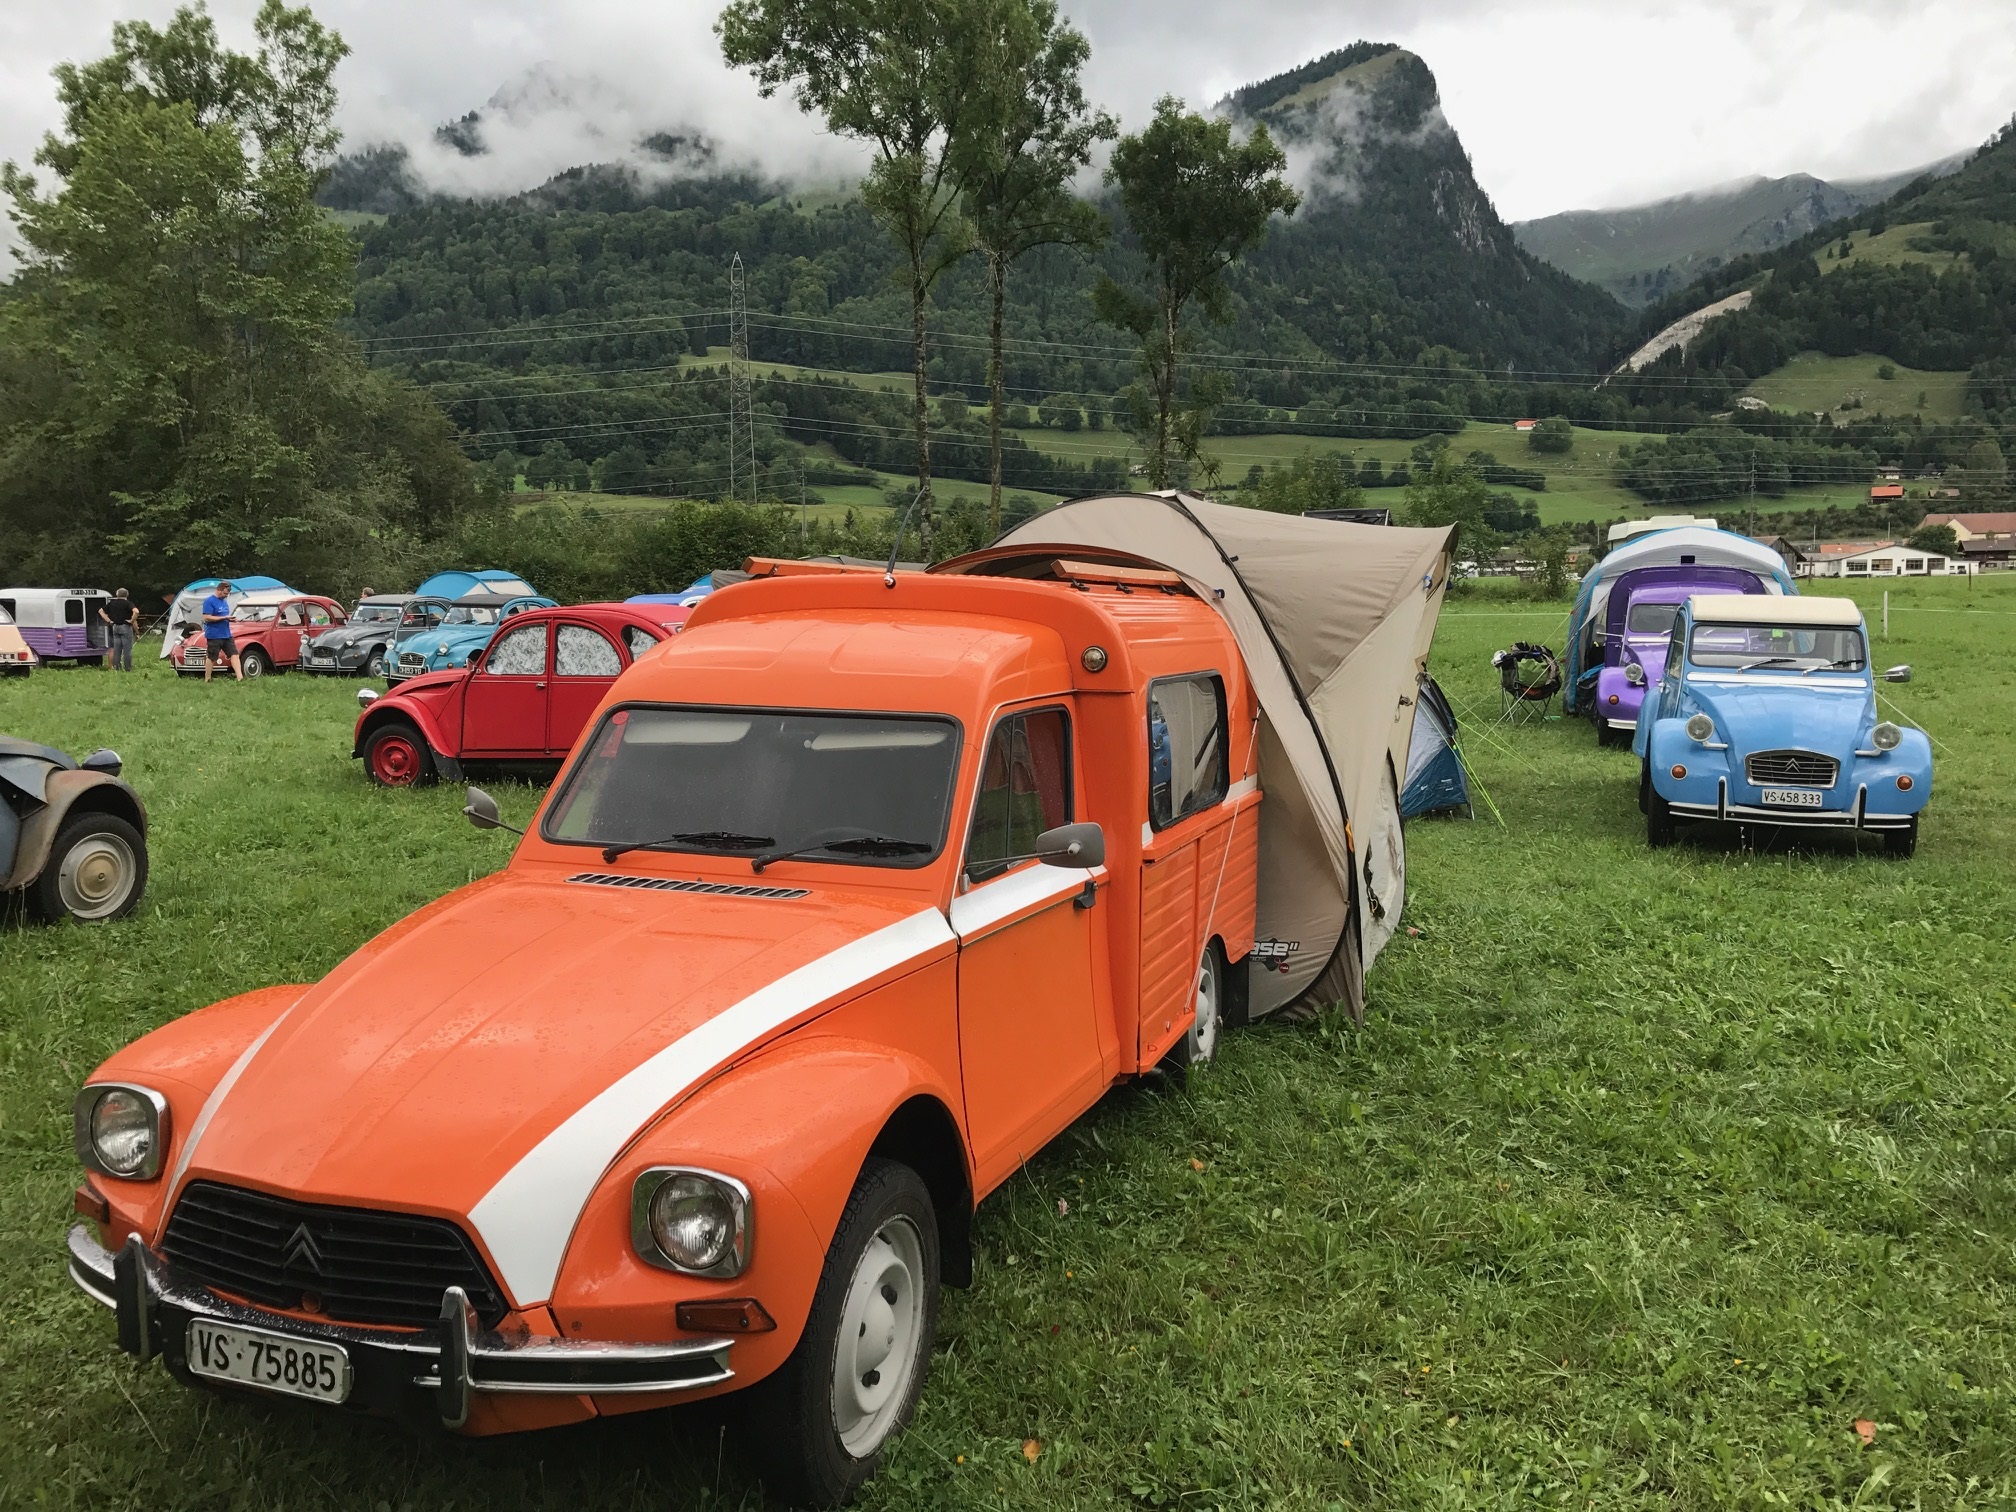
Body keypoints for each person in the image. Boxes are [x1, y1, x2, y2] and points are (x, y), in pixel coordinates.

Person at [201, 580, 242, 683]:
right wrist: (224, 618)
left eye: (227, 594)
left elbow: (224, 616)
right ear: (219, 589)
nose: (226, 596)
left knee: (234, 654)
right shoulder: (209, 601)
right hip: (214, 634)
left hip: (226, 634)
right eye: (225, 593)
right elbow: (206, 617)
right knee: (212, 657)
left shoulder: (224, 602)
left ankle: (240, 678)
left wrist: (230, 619)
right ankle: (207, 678)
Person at [98, 588, 137, 672]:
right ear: (127, 595)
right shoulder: (128, 603)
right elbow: (136, 611)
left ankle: (117, 668)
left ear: (117, 594)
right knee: (127, 650)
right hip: (125, 627)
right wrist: (131, 620)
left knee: (116, 649)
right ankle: (128, 668)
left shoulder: (112, 603)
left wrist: (108, 620)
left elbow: (100, 611)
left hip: (115, 627)